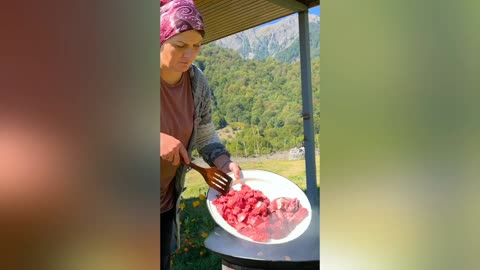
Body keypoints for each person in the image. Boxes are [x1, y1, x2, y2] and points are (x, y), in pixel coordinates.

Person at [160, 1, 241, 269]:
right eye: (180, 45)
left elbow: (205, 134)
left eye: (196, 45)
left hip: (162, 202)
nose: (190, 54)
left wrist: (223, 162)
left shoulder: (197, 82)